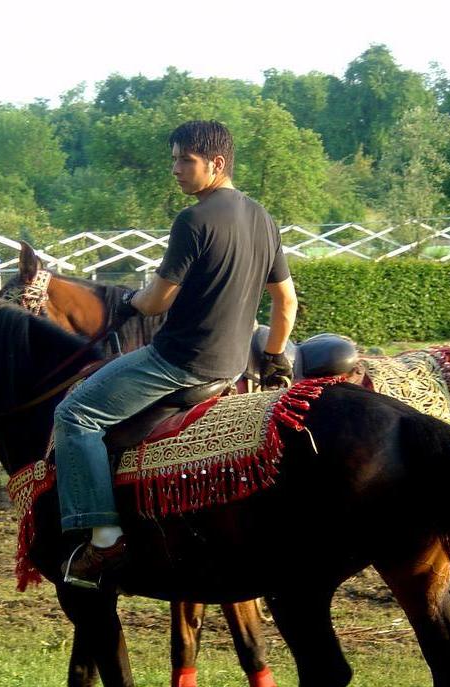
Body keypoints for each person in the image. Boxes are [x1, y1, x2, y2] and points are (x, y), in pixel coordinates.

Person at [55, 120, 298, 588]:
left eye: (185, 160)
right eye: (174, 159)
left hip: (178, 363)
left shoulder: (194, 221)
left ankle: (104, 541)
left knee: (75, 413)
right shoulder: (263, 218)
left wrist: (127, 304)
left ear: (216, 163)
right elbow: (286, 301)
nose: (176, 170)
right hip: (231, 365)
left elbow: (156, 301)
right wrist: (274, 358)